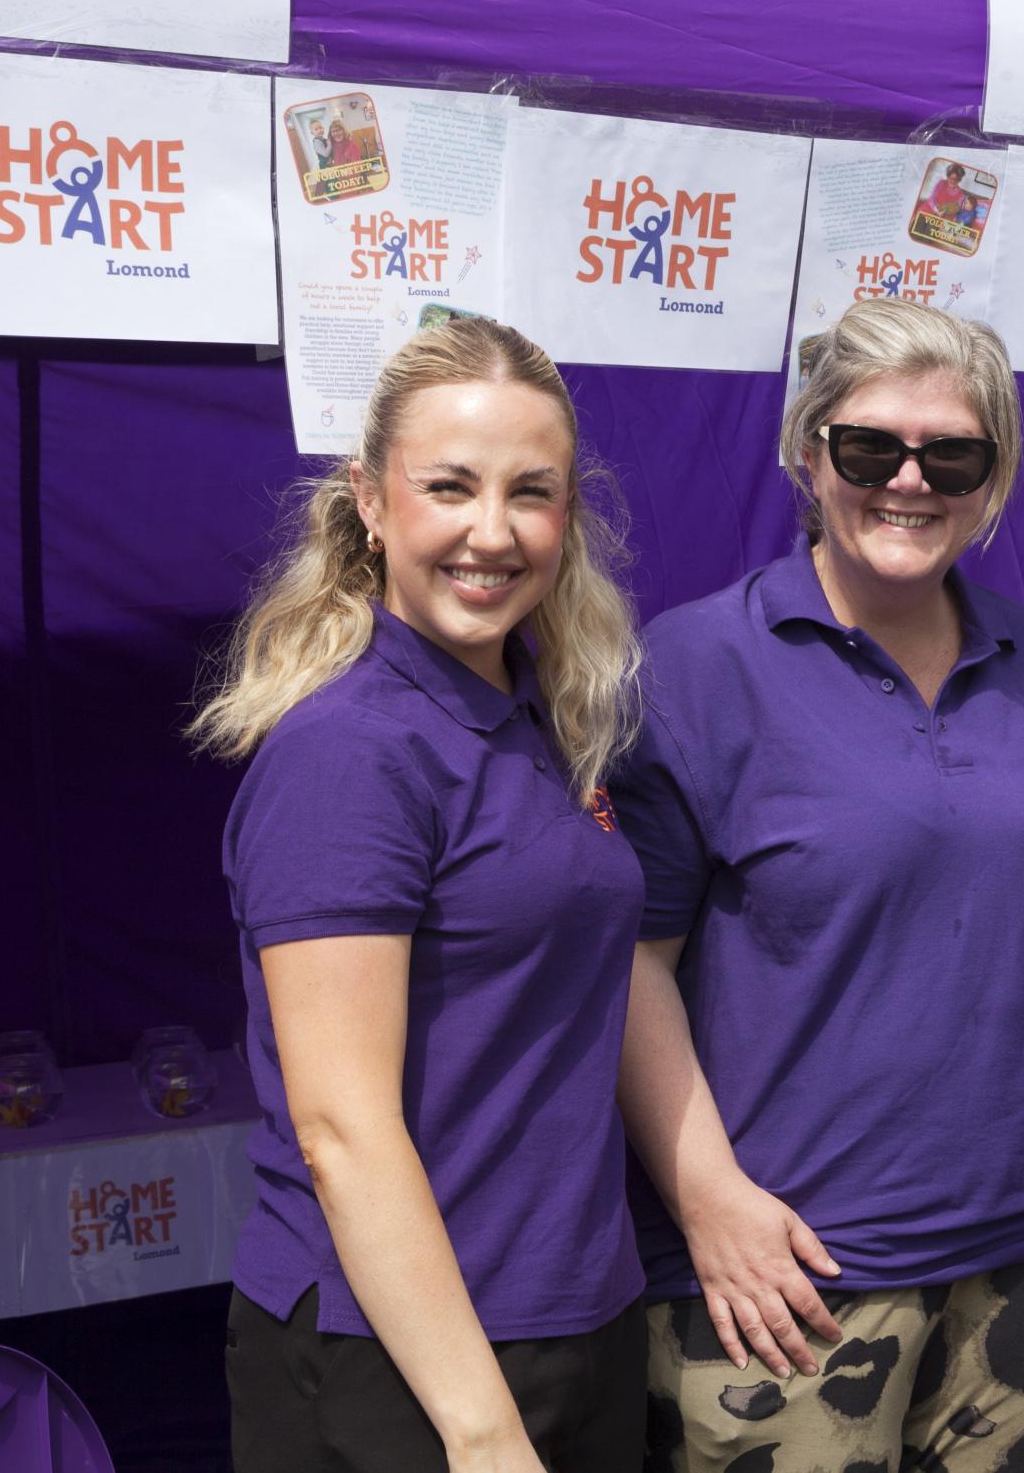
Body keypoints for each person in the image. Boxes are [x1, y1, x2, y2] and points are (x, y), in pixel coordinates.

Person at [614, 297, 1024, 1472]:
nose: (909, 479)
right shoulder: (696, 667)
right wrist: (707, 1203)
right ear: (809, 455)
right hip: (790, 1275)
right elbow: (630, 963)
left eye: (951, 453)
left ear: (990, 480)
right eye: (869, 446)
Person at [189, 319, 647, 1471]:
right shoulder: (353, 750)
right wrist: (482, 1428)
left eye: (529, 494)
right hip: (400, 1360)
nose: (491, 532)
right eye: (449, 487)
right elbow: (341, 1128)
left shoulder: (543, 719)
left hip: (570, 1321)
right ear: (372, 502)